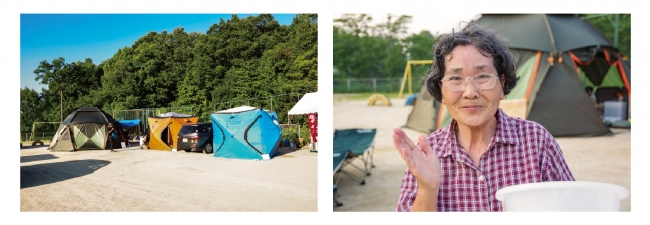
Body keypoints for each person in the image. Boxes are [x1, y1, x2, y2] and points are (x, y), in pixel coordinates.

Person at [393, 23, 574, 212]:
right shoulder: (426, 154)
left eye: (482, 77)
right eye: (455, 78)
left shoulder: (536, 140)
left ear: (502, 85)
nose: (470, 92)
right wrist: (427, 190)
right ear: (442, 91)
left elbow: (573, 209)